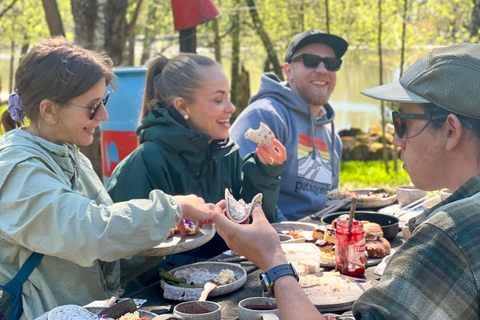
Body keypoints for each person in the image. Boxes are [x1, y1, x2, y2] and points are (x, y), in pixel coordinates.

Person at [213, 42, 480, 320]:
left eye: (402, 123)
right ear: (288, 70)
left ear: (450, 131)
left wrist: (273, 260)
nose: (395, 139)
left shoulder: (450, 236)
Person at [0, 37, 213, 319]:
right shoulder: (16, 168)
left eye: (104, 101)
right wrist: (172, 209)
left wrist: (162, 235)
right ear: (49, 110)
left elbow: (102, 256)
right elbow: (89, 232)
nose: (103, 114)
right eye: (92, 105)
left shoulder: (70, 154)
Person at [106, 54, 286, 274]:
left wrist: (264, 173)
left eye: (228, 98)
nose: (231, 108)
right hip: (164, 296)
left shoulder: (227, 152)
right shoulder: (142, 165)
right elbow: (127, 259)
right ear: (183, 106)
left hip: (229, 279)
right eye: (219, 100)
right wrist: (205, 273)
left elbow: (252, 224)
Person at [230, 29, 348, 221]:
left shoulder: (332, 137)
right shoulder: (264, 117)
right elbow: (239, 193)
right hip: (276, 236)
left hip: (321, 236)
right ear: (288, 71)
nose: (322, 70)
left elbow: (330, 201)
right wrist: (293, 236)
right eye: (310, 60)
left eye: (332, 63)